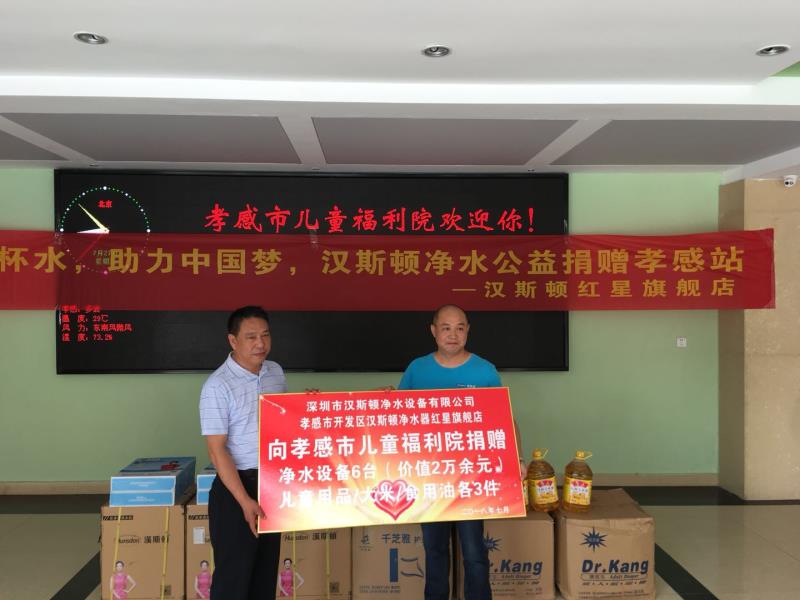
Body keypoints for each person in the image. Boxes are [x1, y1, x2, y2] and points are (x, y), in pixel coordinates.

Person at [398, 304, 502, 600]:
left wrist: (516, 459)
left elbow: (502, 420)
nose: (453, 335)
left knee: (474, 552)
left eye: (459, 328)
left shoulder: (485, 371)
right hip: (429, 478)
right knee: (434, 551)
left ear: (468, 331)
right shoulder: (417, 369)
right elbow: (396, 417)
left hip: (472, 478)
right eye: (446, 328)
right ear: (434, 331)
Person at [199, 306, 287, 600]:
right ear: (233, 341)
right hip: (235, 489)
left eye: (265, 335)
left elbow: (284, 420)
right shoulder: (218, 386)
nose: (260, 343)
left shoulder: (275, 372)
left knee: (265, 574)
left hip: (270, 485)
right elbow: (217, 451)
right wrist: (244, 500)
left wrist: (308, 402)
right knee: (233, 579)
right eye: (251, 337)